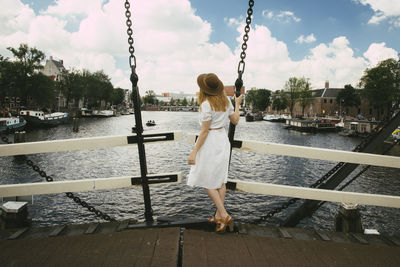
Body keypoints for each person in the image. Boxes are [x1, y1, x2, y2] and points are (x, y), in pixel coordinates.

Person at [187, 73, 242, 233]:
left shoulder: (205, 104)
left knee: (205, 180)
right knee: (220, 180)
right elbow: (235, 120)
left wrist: (193, 152)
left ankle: (224, 215)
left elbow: (204, 132)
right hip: (222, 140)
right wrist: (237, 103)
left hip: (210, 141)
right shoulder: (226, 101)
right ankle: (219, 216)